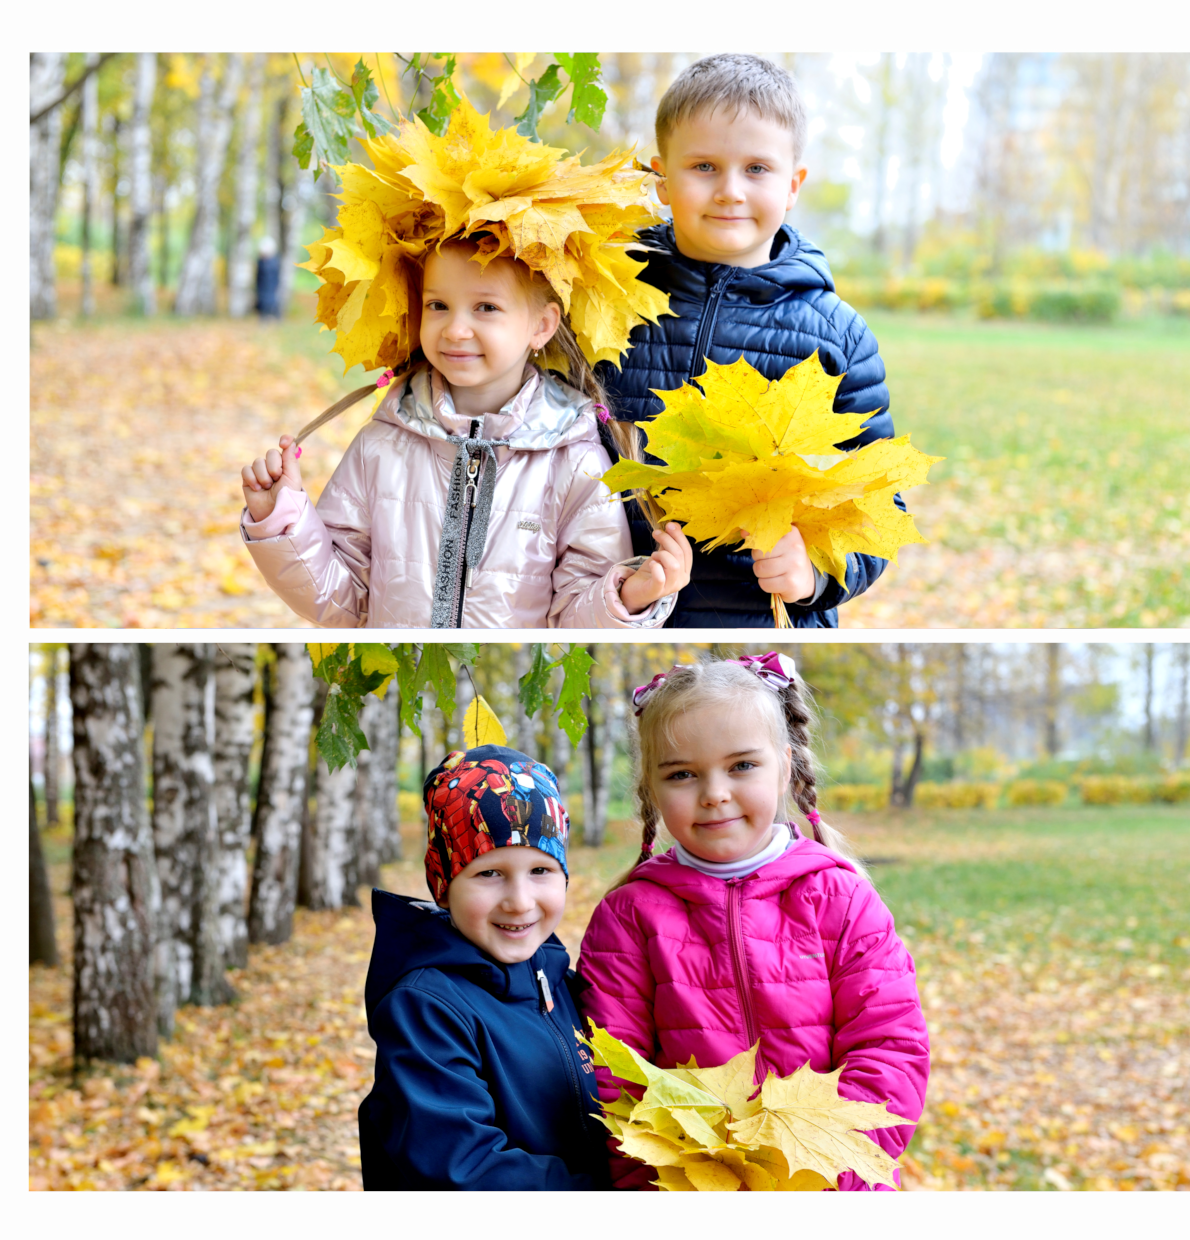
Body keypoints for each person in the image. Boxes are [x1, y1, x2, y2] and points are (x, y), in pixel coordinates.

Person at [239, 104, 692, 628]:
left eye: (486, 308)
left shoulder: (575, 461)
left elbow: (573, 617)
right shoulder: (383, 443)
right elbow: (345, 602)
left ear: (542, 326)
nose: (456, 329)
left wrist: (629, 597)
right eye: (438, 306)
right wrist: (283, 522)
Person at [577, 653, 929, 1189]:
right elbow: (613, 1076)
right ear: (651, 787)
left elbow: (890, 1046)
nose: (714, 793)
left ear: (785, 766)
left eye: (741, 766)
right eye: (682, 774)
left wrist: (819, 1172)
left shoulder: (839, 896)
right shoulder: (629, 917)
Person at [596, 54, 898, 627]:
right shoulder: (607, 299)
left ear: (793, 185)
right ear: (662, 178)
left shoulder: (836, 334)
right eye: (704, 166)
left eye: (757, 168)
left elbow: (877, 504)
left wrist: (814, 574)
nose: (730, 191)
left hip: (760, 616)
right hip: (615, 610)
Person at [361, 745, 610, 1190]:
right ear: (443, 884)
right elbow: (462, 1168)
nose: (519, 900)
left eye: (540, 870)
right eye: (489, 873)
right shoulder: (425, 1009)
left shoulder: (558, 984)